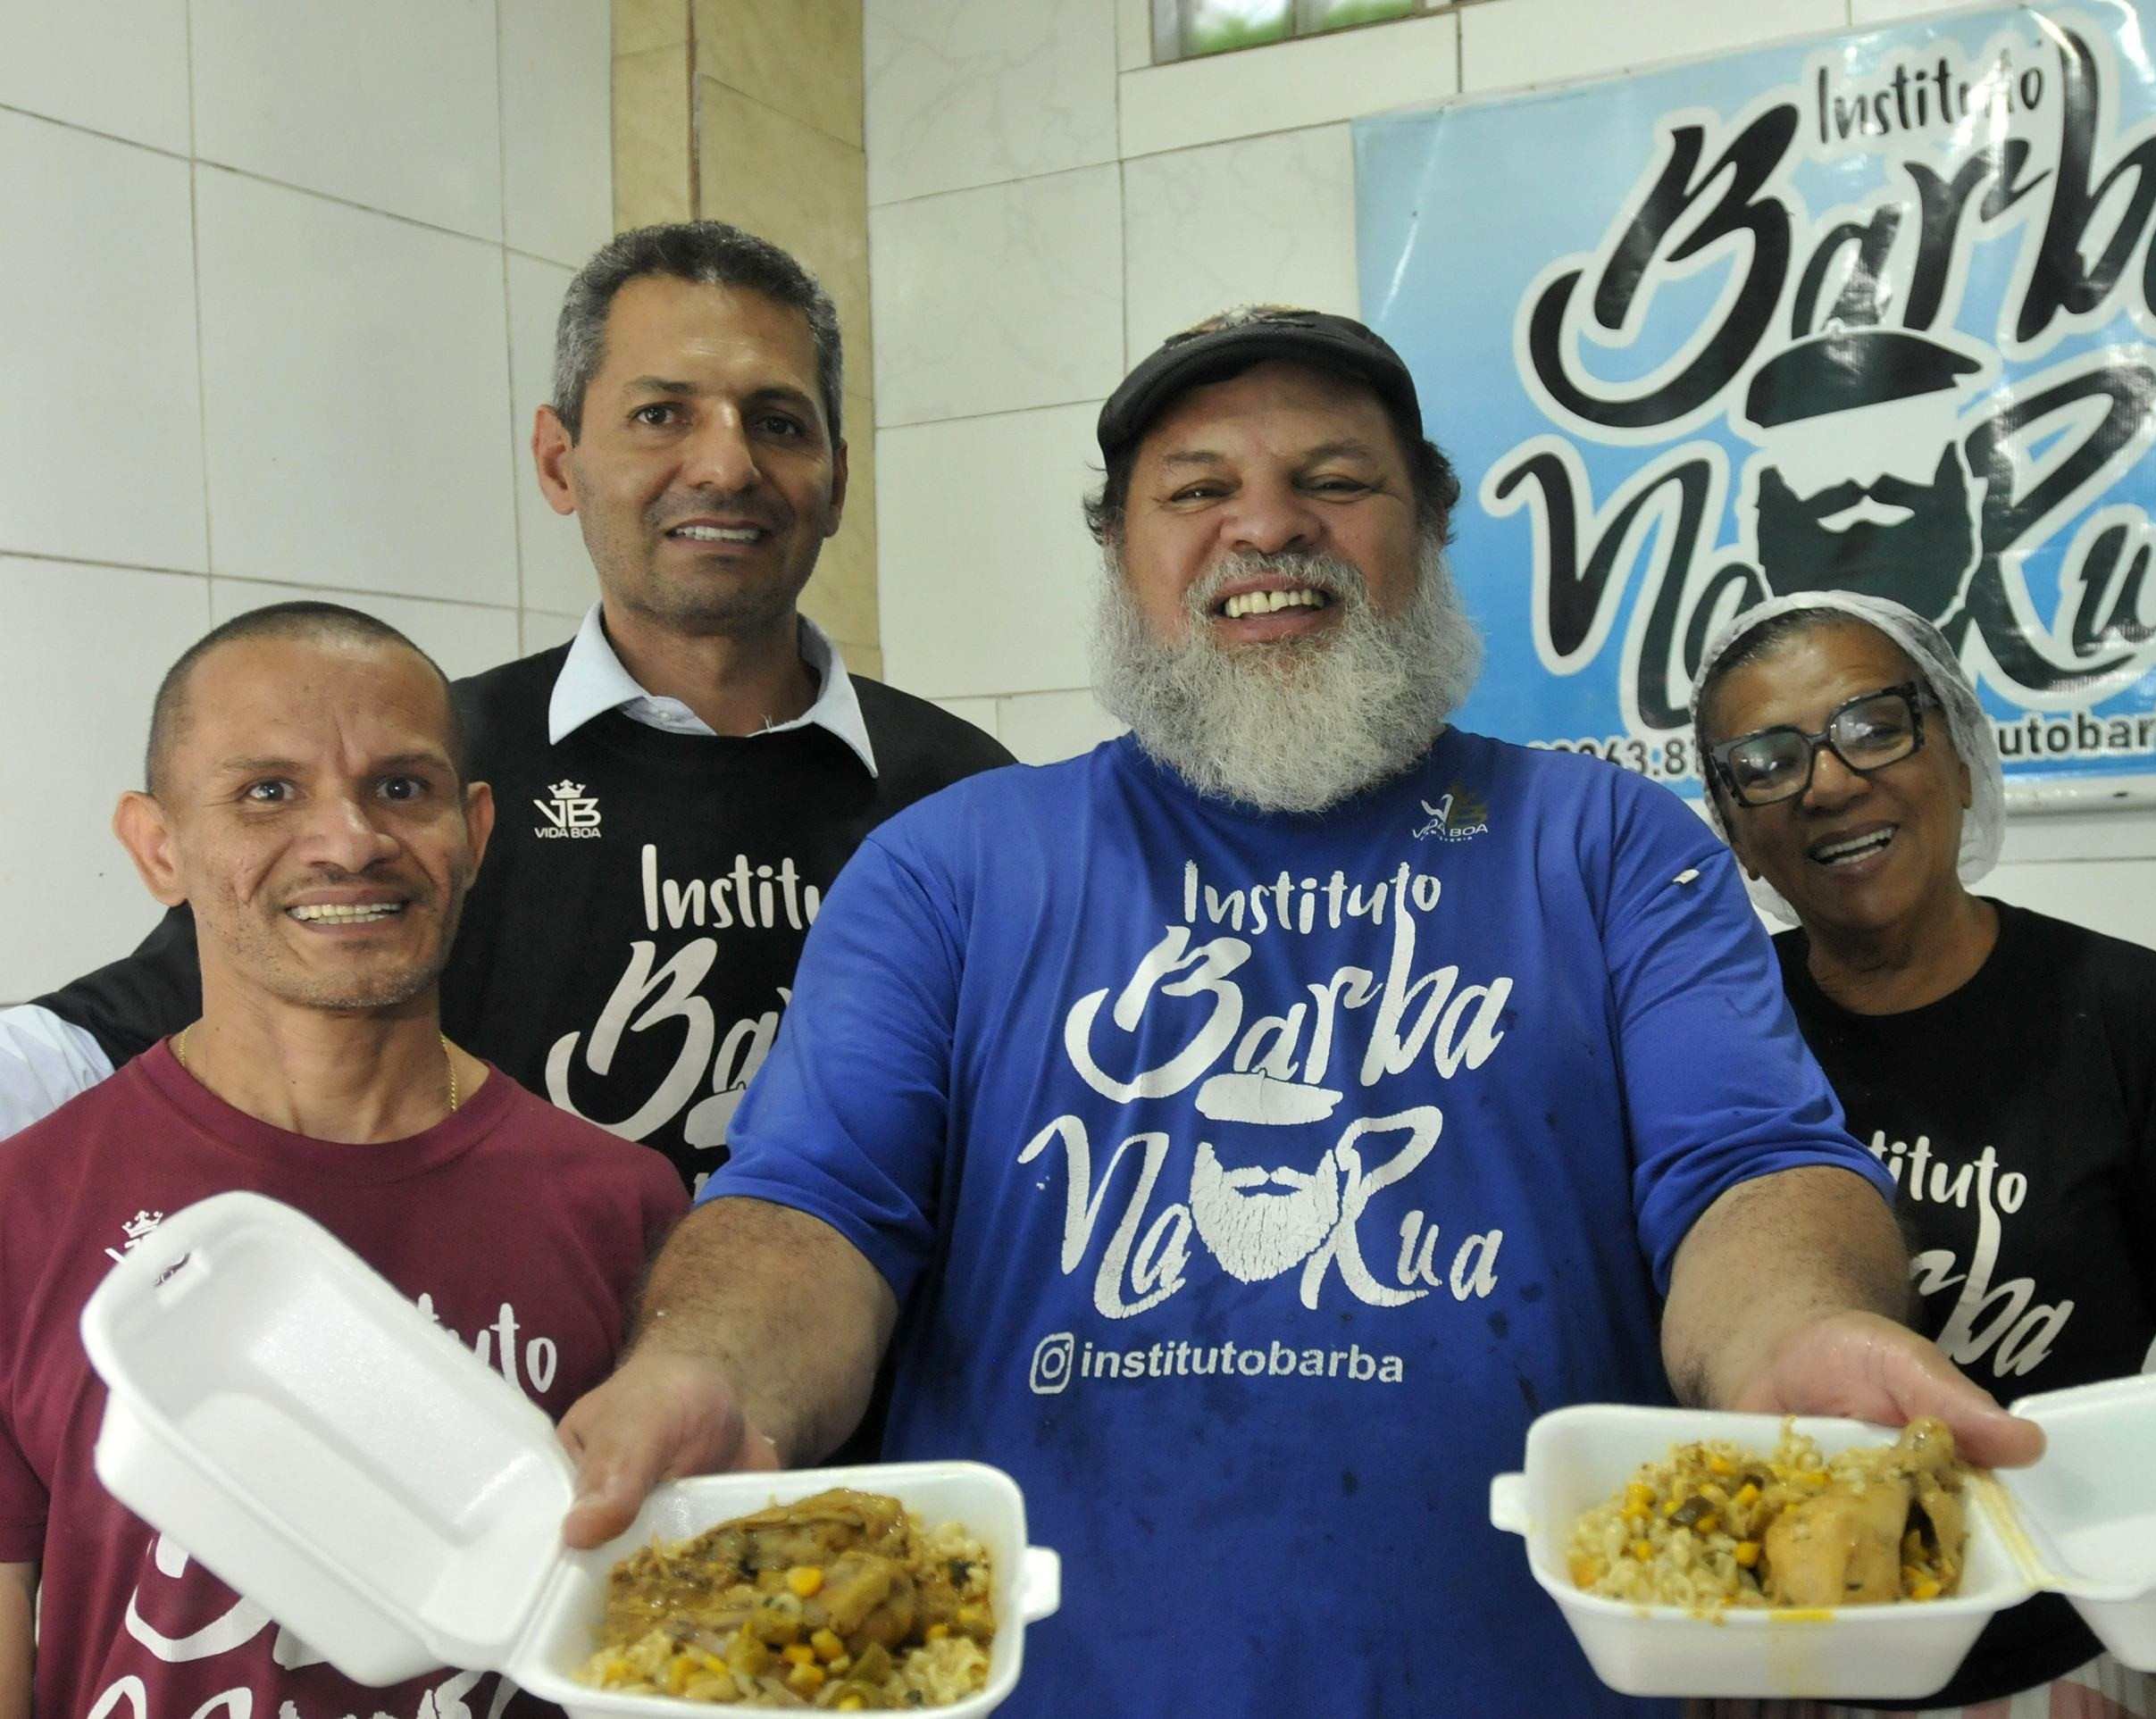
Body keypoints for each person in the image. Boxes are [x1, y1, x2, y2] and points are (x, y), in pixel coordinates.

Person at [553, 307, 2047, 1716]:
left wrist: (1796, 1333)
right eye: (1195, 488)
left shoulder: (1604, 846)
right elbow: (813, 1207)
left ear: (1430, 527)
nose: (1264, 527)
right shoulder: (949, 869)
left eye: (1332, 481)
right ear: (1118, 551)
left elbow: (1743, 1164)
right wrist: (706, 1368)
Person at [0, 221, 1012, 1194]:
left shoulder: (967, 797)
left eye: (778, 422)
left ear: (837, 478)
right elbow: (103, 1039)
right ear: (558, 460)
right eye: (661, 414)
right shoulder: (419, 778)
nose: (725, 465)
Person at [0, 604, 688, 1719]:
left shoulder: (625, 1204)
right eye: (266, 792)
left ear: (474, 830)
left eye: (402, 788)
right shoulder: (24, 1207)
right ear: (158, 844)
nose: (349, 838)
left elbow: (659, 1642)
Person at [1691, 591, 2156, 1719]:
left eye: (1873, 725)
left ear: (1960, 754)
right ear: (1734, 826)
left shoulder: (2130, 1014)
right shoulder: (1710, 1036)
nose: (1828, 781)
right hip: (1782, 1664)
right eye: (1767, 760)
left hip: (2060, 1656)